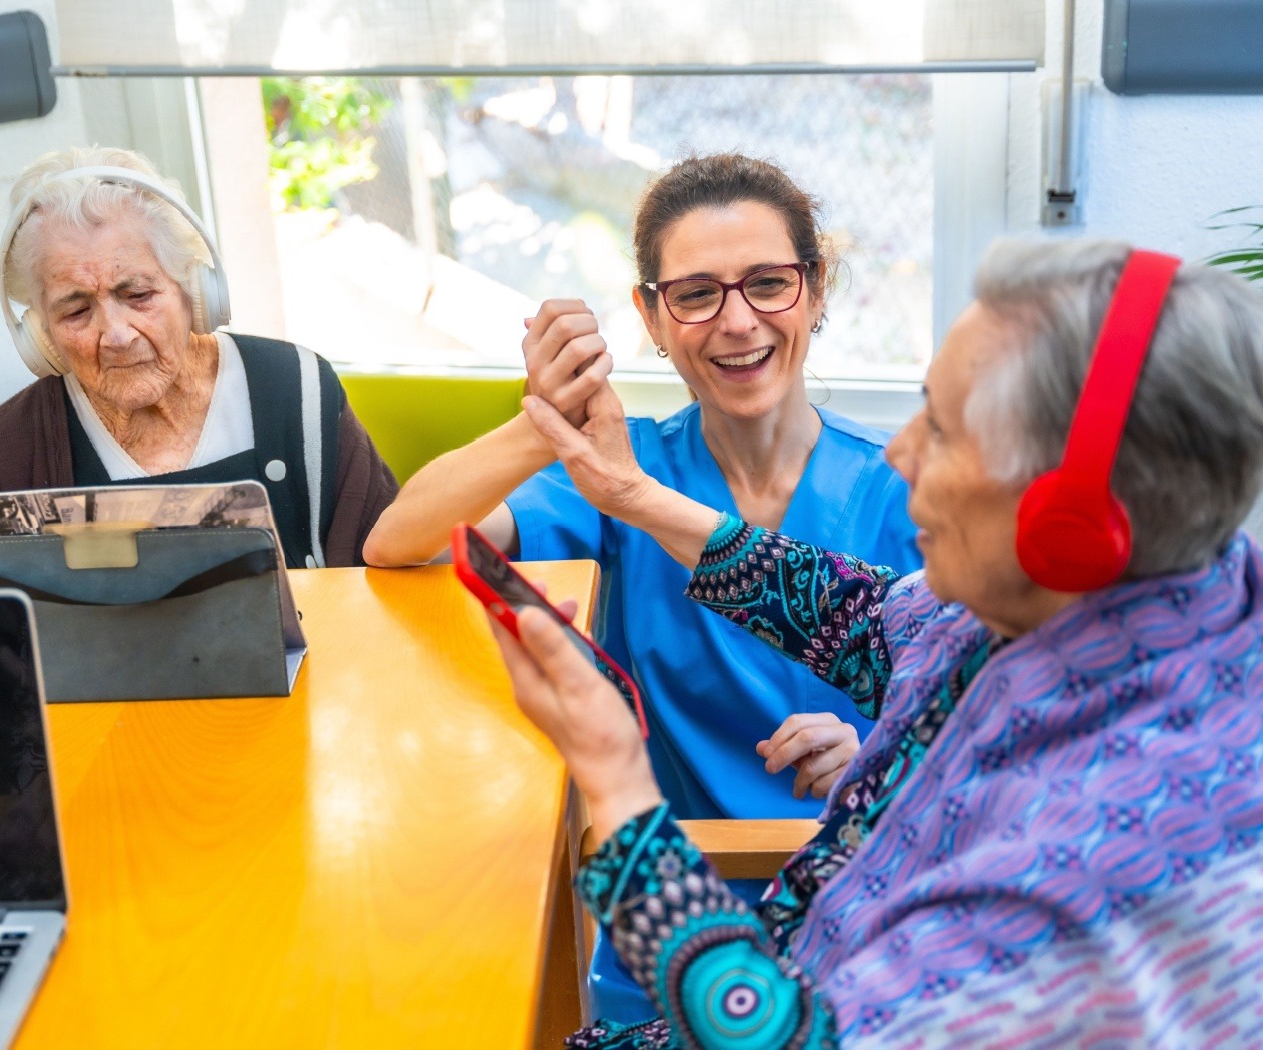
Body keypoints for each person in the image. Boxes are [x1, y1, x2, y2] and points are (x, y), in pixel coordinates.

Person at [488, 238, 1263, 1048]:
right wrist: (631, 494)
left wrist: (616, 780)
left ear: (1072, 525)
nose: (899, 456)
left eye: (939, 430)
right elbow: (867, 621)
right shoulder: (1166, 582)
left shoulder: (1087, 861)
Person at [368, 154, 920, 1019]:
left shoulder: (907, 485)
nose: (737, 322)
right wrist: (542, 419)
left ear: (816, 291)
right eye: (697, 294)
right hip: (665, 923)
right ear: (652, 317)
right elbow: (401, 545)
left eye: (769, 284)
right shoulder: (626, 470)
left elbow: (979, 710)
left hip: (860, 920)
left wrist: (876, 760)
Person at [0, 146, 397, 568]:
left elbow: (385, 571)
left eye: (138, 294)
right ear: (41, 335)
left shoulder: (295, 388)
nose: (117, 335)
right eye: (76, 310)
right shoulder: (2, 455)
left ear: (195, 291)